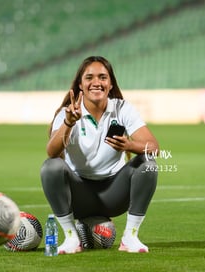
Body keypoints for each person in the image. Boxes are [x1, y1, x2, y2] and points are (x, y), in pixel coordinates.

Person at [40, 56, 159, 254]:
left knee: (148, 163)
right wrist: (68, 123)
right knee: (50, 167)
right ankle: (71, 238)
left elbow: (153, 147)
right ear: (81, 84)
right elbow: (52, 152)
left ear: (110, 83)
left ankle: (130, 237)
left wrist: (129, 145)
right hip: (78, 197)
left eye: (103, 77)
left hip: (114, 195)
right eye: (89, 78)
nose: (96, 82)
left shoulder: (122, 109)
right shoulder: (66, 113)